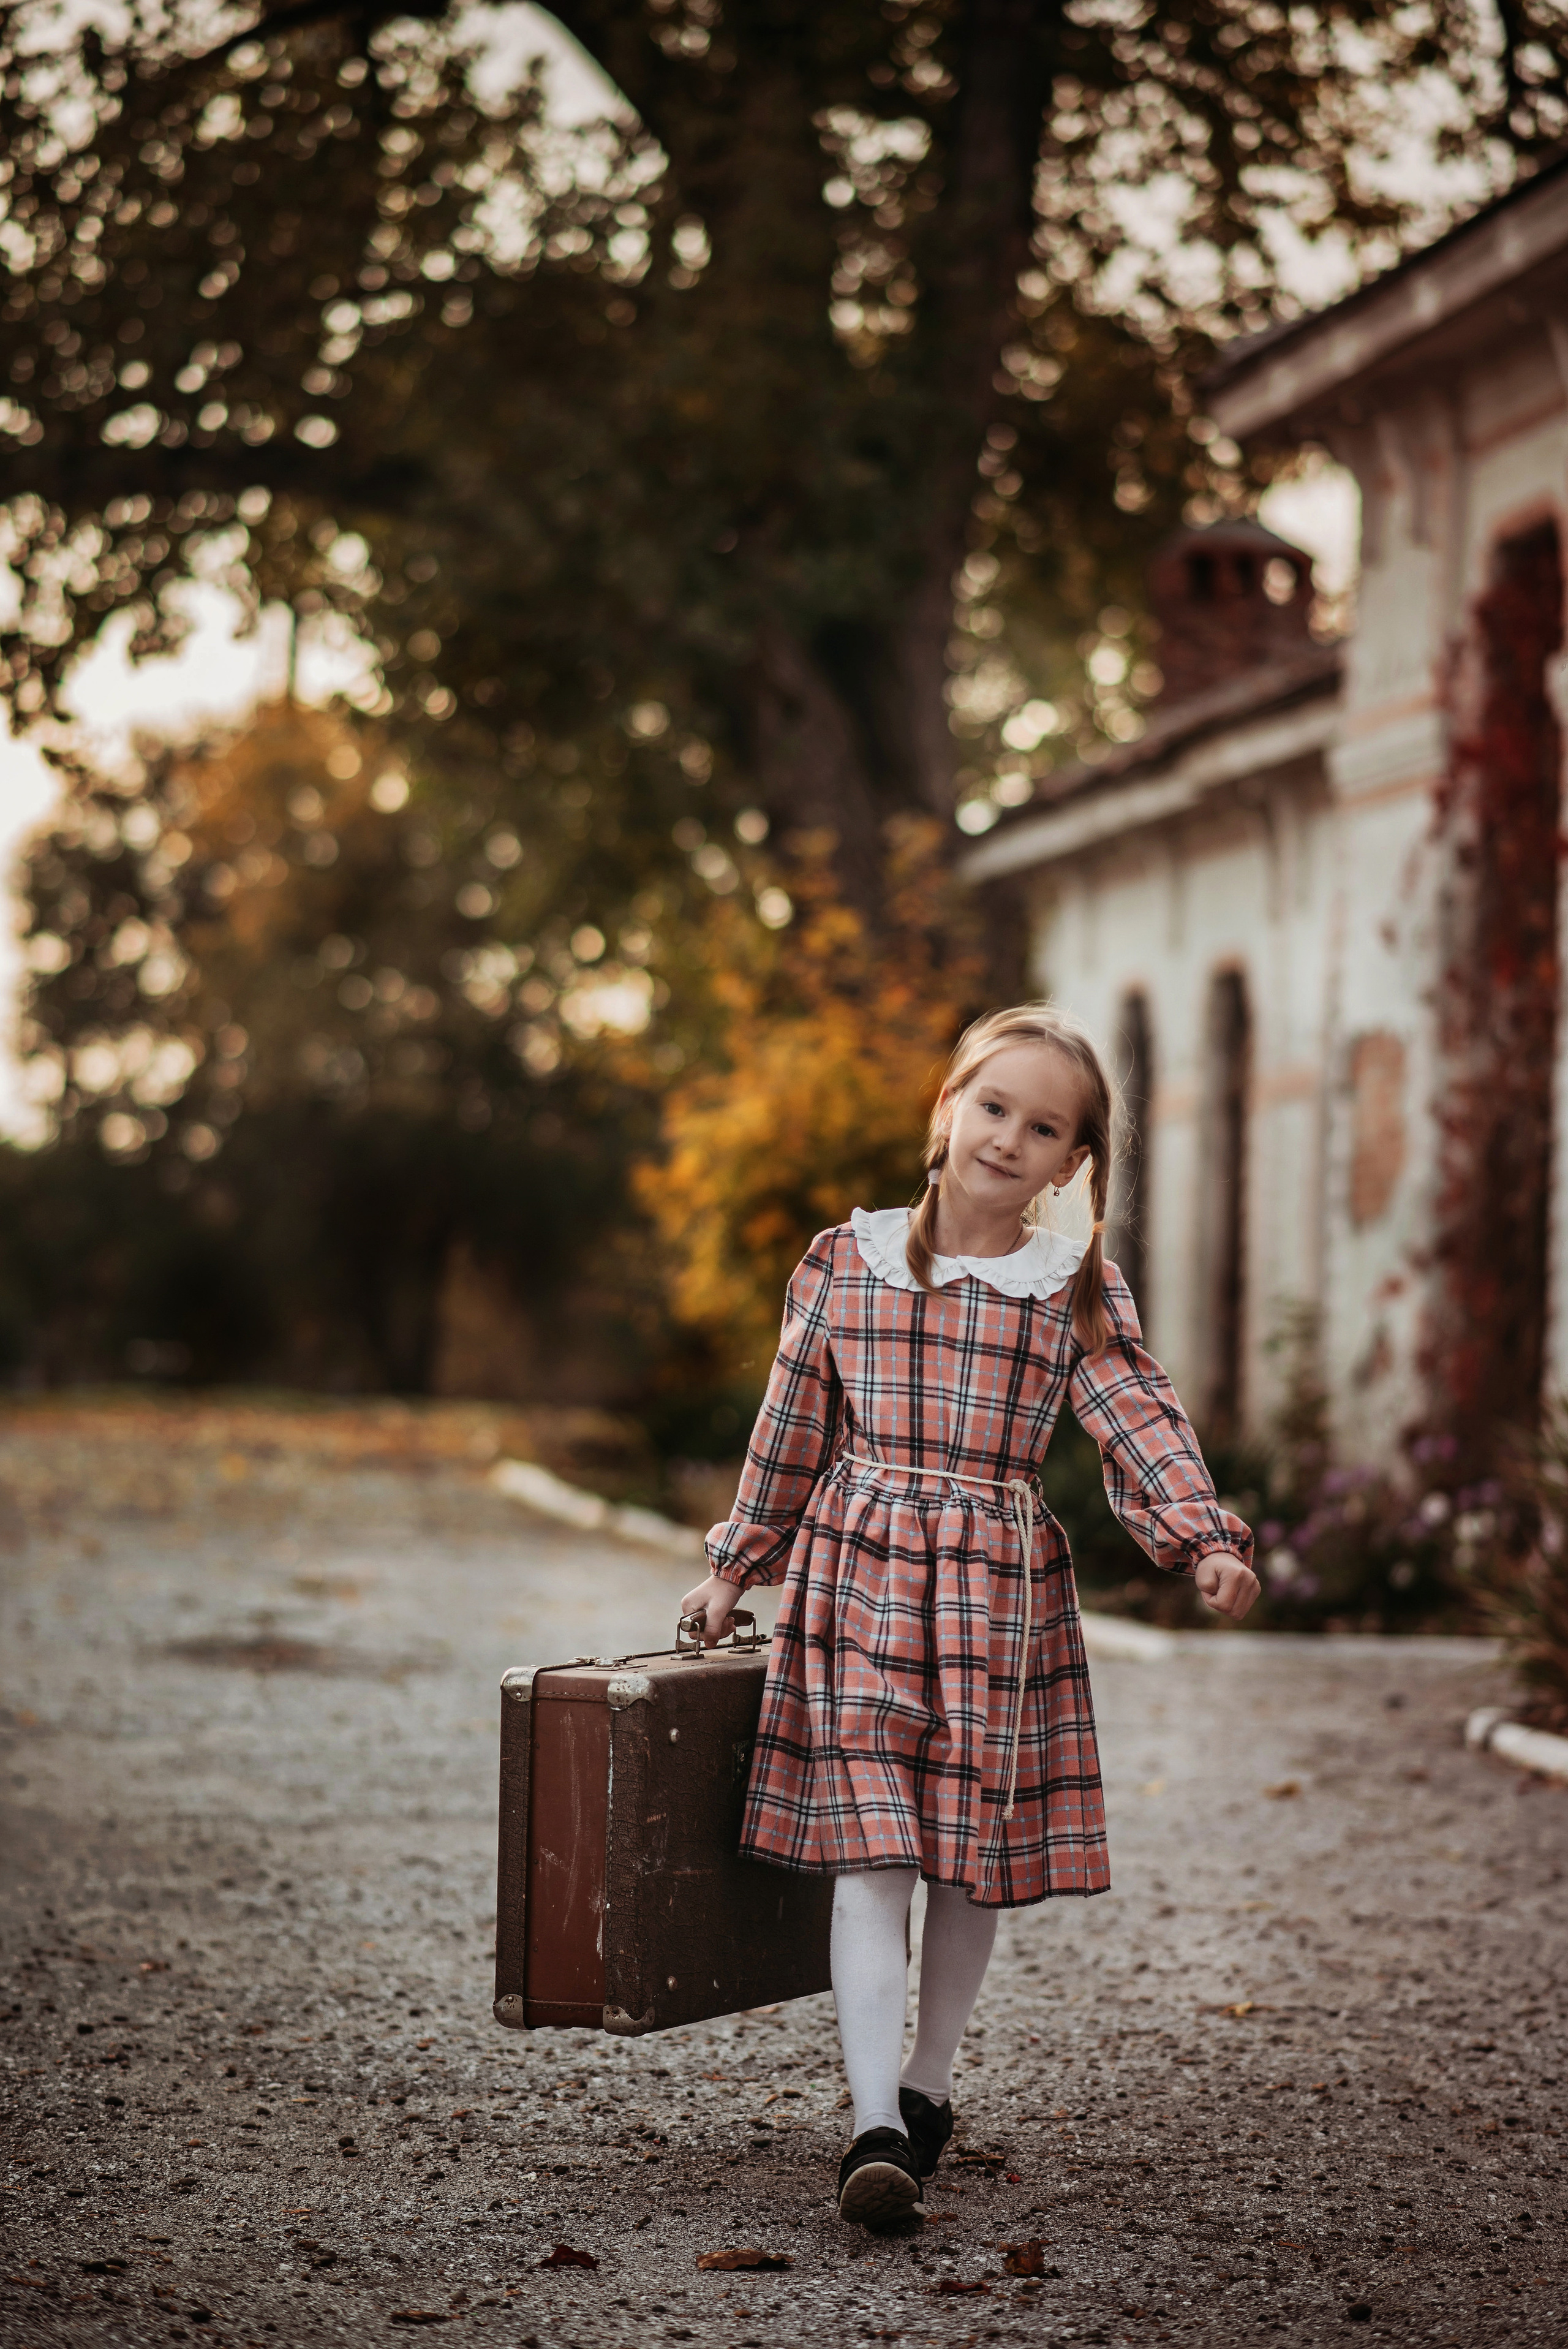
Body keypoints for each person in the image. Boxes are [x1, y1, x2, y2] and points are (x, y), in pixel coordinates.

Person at [680, 1002, 1258, 2230]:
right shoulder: (846, 1261)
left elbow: (1137, 1421)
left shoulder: (1070, 1285)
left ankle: (927, 2081)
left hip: (995, 1596)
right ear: (946, 1105)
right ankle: (872, 2125)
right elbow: (788, 1429)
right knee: (873, 1852)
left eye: (1042, 1126)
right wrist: (735, 1564)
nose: (1008, 1138)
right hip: (854, 1575)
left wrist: (1202, 1539)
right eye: (992, 1105)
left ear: (1070, 1160)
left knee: (962, 1859)